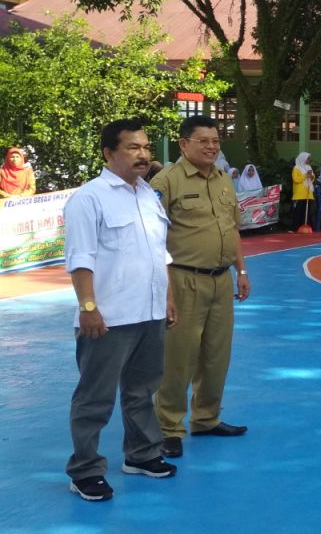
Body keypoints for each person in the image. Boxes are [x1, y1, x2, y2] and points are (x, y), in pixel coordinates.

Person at [64, 120, 179, 502]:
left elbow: (159, 253)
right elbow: (80, 258)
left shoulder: (149, 196)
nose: (143, 154)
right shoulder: (89, 198)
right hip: (108, 318)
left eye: (146, 147)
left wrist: (168, 298)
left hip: (149, 313)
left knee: (142, 390)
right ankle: (85, 470)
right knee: (94, 398)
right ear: (108, 153)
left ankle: (142, 455)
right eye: (132, 148)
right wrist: (89, 307)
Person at [152, 115, 251, 459]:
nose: (212, 146)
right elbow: (154, 240)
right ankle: (169, 427)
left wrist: (241, 270)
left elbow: (232, 228)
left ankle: (207, 418)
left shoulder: (224, 179)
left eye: (216, 140)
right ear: (183, 144)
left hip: (221, 279)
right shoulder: (167, 182)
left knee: (216, 355)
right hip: (183, 279)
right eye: (203, 140)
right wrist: (163, 290)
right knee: (178, 357)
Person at [291, 152, 315, 230]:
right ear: (303, 158)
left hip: (308, 193)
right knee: (298, 211)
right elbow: (296, 179)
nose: (309, 160)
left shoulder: (309, 167)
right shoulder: (296, 168)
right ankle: (295, 228)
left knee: (307, 212)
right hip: (299, 193)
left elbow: (312, 178)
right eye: (308, 158)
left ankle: (306, 227)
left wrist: (311, 176)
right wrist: (305, 175)